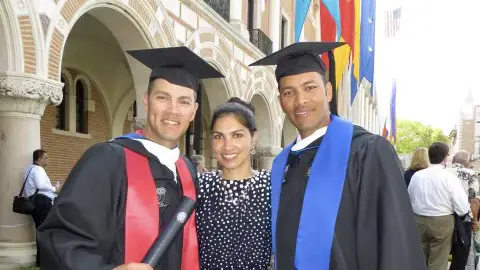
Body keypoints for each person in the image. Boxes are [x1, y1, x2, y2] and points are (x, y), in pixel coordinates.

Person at [37, 46, 224, 270]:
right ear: (146, 101)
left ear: (193, 111)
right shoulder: (107, 160)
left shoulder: (187, 169)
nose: (173, 110)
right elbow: (58, 241)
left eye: (183, 102)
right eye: (162, 97)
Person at [249, 42, 426, 270]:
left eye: (310, 88)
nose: (300, 100)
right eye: (288, 92)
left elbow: (396, 244)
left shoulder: (368, 152)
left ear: (329, 91)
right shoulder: (282, 162)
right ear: (280, 100)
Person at [196, 97, 272, 269]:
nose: (227, 146)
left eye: (237, 135)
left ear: (253, 138)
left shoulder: (271, 187)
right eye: (219, 136)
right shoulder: (201, 185)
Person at [408, 142, 470, 270]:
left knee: (420, 257)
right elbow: (461, 205)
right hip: (442, 221)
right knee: (438, 260)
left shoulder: (417, 176)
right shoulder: (449, 177)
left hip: (419, 219)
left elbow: (410, 197)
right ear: (445, 158)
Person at [23, 149, 59, 267]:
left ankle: (41, 260)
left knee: (41, 230)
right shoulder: (38, 169)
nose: (48, 160)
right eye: (46, 157)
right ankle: (45, 260)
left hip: (34, 203)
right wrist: (54, 188)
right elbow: (41, 185)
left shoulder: (28, 169)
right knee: (45, 230)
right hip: (42, 202)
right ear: (39, 159)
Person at [447, 150, 480, 270]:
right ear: (467, 161)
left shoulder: (443, 172)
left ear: (454, 160)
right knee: (463, 253)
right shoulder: (471, 174)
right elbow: (474, 200)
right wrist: (475, 220)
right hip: (464, 219)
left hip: (444, 216)